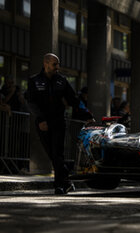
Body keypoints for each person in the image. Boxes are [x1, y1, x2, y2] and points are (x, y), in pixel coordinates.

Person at [27, 53, 80, 195]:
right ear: (46, 63)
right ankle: (67, 181)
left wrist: (87, 115)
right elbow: (31, 102)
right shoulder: (34, 80)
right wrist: (41, 119)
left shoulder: (62, 80)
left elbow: (73, 99)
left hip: (58, 122)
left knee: (57, 153)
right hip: (42, 123)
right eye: (54, 64)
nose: (58, 67)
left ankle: (59, 185)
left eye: (58, 64)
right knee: (52, 154)